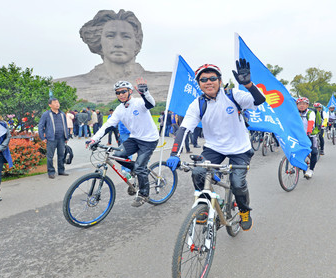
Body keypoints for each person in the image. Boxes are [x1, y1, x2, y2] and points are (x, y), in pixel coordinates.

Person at [166, 59, 267, 231]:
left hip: (239, 148)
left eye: (212, 78)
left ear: (220, 81)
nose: (208, 82)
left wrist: (248, 84)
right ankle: (205, 206)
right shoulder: (198, 103)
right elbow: (184, 129)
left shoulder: (233, 95)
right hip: (214, 148)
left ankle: (244, 210)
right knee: (198, 173)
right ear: (199, 84)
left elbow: (259, 101)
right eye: (203, 80)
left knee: (237, 183)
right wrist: (174, 154)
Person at [88, 78, 159, 207]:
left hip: (149, 140)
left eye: (123, 92)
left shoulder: (139, 102)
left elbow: (150, 104)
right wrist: (94, 139)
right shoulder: (119, 109)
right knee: (117, 155)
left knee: (140, 167)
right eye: (118, 93)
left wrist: (145, 93)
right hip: (135, 138)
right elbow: (108, 125)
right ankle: (137, 169)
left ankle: (144, 194)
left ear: (130, 91)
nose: (120, 95)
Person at [38, 98, 69, 178]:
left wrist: (66, 137)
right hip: (51, 139)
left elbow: (65, 125)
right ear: (50, 105)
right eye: (55, 103)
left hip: (61, 138)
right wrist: (42, 137)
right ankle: (51, 172)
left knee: (61, 155)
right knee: (50, 156)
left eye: (58, 102)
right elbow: (41, 126)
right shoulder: (46, 114)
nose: (57, 104)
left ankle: (61, 171)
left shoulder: (62, 114)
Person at [296, 97, 318, 178]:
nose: (302, 105)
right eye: (299, 104)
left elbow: (311, 122)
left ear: (307, 105)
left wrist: (308, 132)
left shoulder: (310, 113)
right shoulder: (295, 113)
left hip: (310, 135)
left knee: (314, 152)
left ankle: (311, 170)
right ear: (297, 105)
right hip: (298, 136)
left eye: (304, 104)